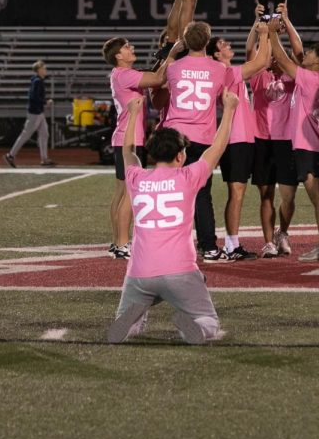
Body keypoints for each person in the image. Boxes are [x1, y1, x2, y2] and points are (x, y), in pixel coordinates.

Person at [107, 91, 237, 345]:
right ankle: (190, 325)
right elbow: (217, 147)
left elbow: (128, 150)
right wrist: (230, 110)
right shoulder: (187, 178)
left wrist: (133, 115)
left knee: (131, 315)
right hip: (179, 271)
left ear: (153, 155)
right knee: (208, 322)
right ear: (180, 155)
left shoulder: (136, 178)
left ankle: (130, 322)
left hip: (140, 273)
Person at [102, 37, 184, 259]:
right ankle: (121, 243)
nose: (132, 49)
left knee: (121, 193)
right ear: (118, 56)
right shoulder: (125, 74)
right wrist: (172, 54)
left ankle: (117, 240)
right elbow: (157, 79)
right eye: (127, 48)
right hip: (130, 138)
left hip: (123, 137)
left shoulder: (120, 74)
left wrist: (162, 62)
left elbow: (154, 76)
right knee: (129, 192)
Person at [267, 11, 319, 261]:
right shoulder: (315, 77)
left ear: (318, 61)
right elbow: (296, 52)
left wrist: (273, 31)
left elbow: (284, 59)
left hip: (307, 143)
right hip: (307, 142)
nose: (305, 54)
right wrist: (287, 19)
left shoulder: (311, 79)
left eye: (311, 53)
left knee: (317, 195)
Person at [161, 21, 228, 260]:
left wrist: (171, 52)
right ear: (207, 41)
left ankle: (169, 246)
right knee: (201, 193)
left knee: (171, 192)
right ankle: (208, 246)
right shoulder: (219, 69)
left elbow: (163, 77)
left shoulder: (174, 67)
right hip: (202, 138)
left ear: (186, 42)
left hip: (175, 136)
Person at [209, 15, 272, 260]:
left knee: (239, 192)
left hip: (243, 138)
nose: (227, 46)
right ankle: (231, 244)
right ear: (215, 54)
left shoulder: (227, 71)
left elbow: (254, 56)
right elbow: (262, 61)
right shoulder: (225, 73)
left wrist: (257, 25)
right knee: (236, 193)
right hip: (235, 140)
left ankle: (232, 243)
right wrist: (264, 34)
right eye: (222, 45)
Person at [248, 5, 302, 257]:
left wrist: (287, 21)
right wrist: (258, 24)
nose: (276, 59)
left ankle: (283, 231)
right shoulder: (259, 75)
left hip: (286, 140)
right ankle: (269, 241)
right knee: (266, 193)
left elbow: (299, 53)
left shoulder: (292, 78)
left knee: (288, 196)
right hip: (262, 139)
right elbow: (251, 51)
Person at [5, 60, 55, 168]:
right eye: (44, 68)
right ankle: (11, 155)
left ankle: (44, 158)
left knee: (44, 134)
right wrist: (45, 102)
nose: (45, 70)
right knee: (26, 135)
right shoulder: (37, 81)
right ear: (39, 69)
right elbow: (33, 97)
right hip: (35, 113)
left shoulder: (38, 81)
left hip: (38, 112)